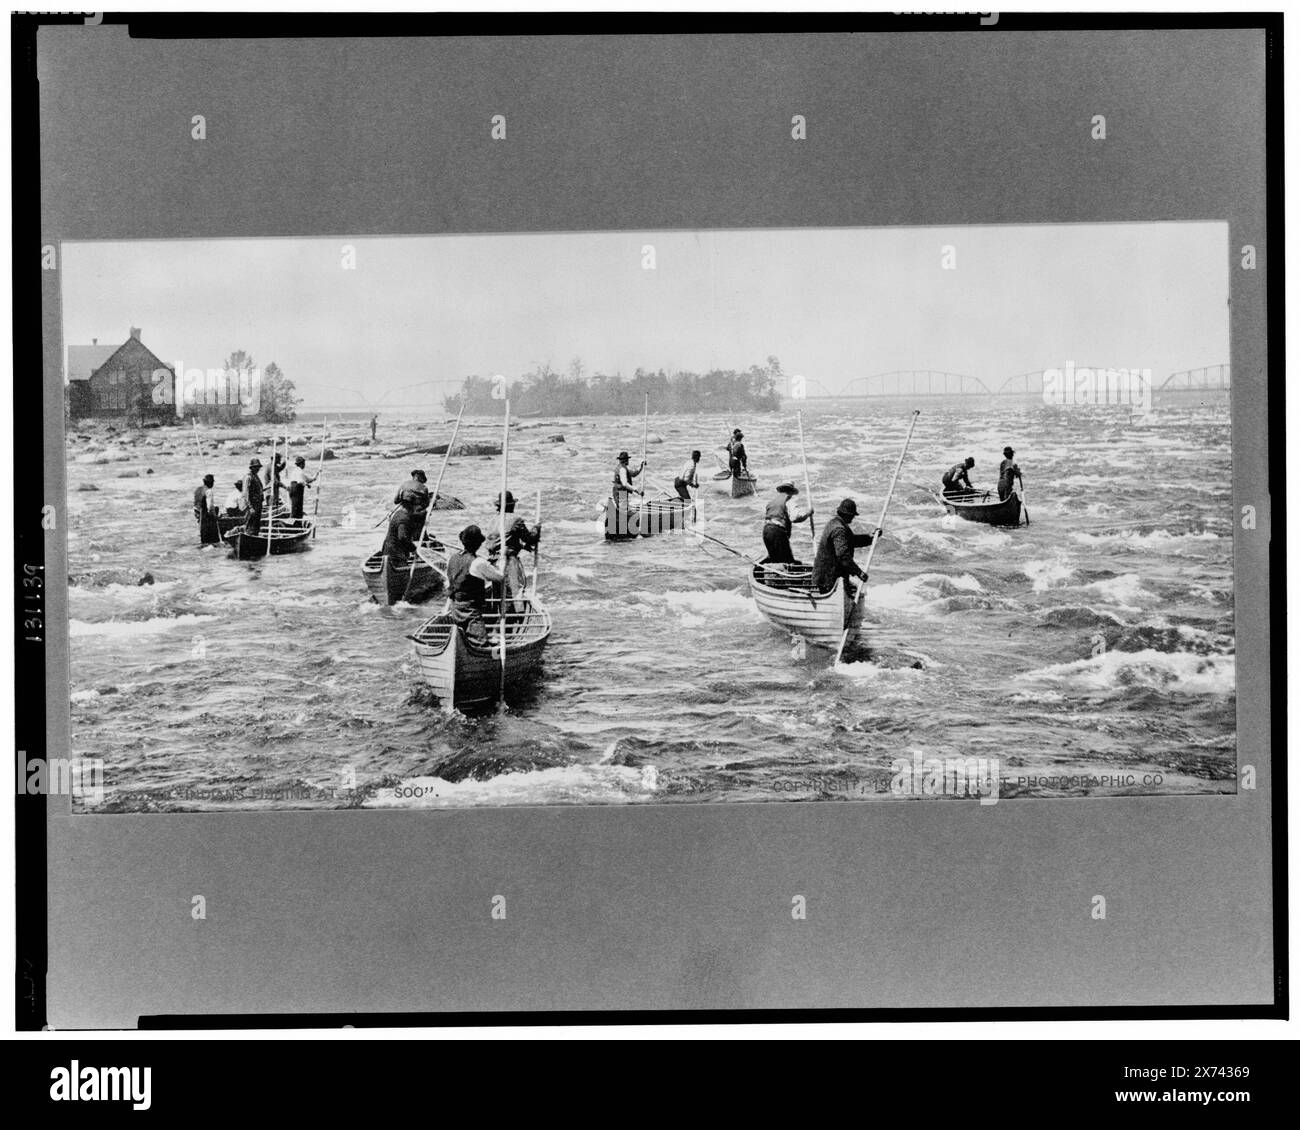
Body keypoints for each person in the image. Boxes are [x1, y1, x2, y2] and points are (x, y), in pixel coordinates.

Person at [812, 499, 879, 630]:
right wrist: (859, 573)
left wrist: (871, 538)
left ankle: (833, 628)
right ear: (848, 514)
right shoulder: (839, 529)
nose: (853, 518)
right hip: (829, 578)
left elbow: (851, 541)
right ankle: (833, 628)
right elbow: (843, 556)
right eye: (853, 515)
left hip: (827, 575)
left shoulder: (836, 524)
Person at [444, 524, 506, 644]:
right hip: (470, 611)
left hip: (454, 607)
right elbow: (499, 577)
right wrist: (500, 562)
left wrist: (488, 565)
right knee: (481, 643)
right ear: (478, 544)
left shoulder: (452, 558)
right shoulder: (478, 562)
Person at [488, 515, 542, 612]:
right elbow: (530, 538)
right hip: (508, 560)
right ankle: (514, 616)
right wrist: (536, 529)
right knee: (514, 590)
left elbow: (500, 540)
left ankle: (498, 614)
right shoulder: (515, 520)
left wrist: (521, 546)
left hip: (494, 560)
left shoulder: (493, 520)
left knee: (497, 592)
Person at [761, 483, 814, 565]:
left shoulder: (771, 502)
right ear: (791, 491)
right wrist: (808, 513)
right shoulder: (788, 500)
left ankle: (776, 573)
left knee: (775, 559)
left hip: (766, 531)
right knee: (787, 561)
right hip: (777, 531)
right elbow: (795, 517)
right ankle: (787, 573)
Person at [286, 455, 319, 520]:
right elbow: (301, 481)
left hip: (296, 491)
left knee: (298, 507)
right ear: (301, 464)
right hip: (295, 490)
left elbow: (308, 479)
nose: (304, 465)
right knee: (296, 508)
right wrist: (307, 485)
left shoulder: (299, 471)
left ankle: (297, 521)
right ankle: (293, 524)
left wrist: (316, 475)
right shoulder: (299, 471)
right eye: (304, 464)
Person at [193, 474, 220, 545]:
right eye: (212, 482)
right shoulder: (209, 491)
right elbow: (210, 507)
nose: (213, 484)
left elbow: (195, 505)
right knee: (212, 540)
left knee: (203, 536)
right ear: (210, 483)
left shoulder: (198, 490)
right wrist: (215, 516)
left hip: (198, 514)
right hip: (206, 516)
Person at [243, 459, 265, 532]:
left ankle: (255, 539)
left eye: (258, 467)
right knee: (250, 525)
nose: (258, 469)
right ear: (251, 467)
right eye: (256, 467)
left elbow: (258, 490)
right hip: (252, 505)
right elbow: (245, 493)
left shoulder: (256, 476)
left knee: (256, 525)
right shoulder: (248, 477)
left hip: (258, 505)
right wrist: (250, 507)